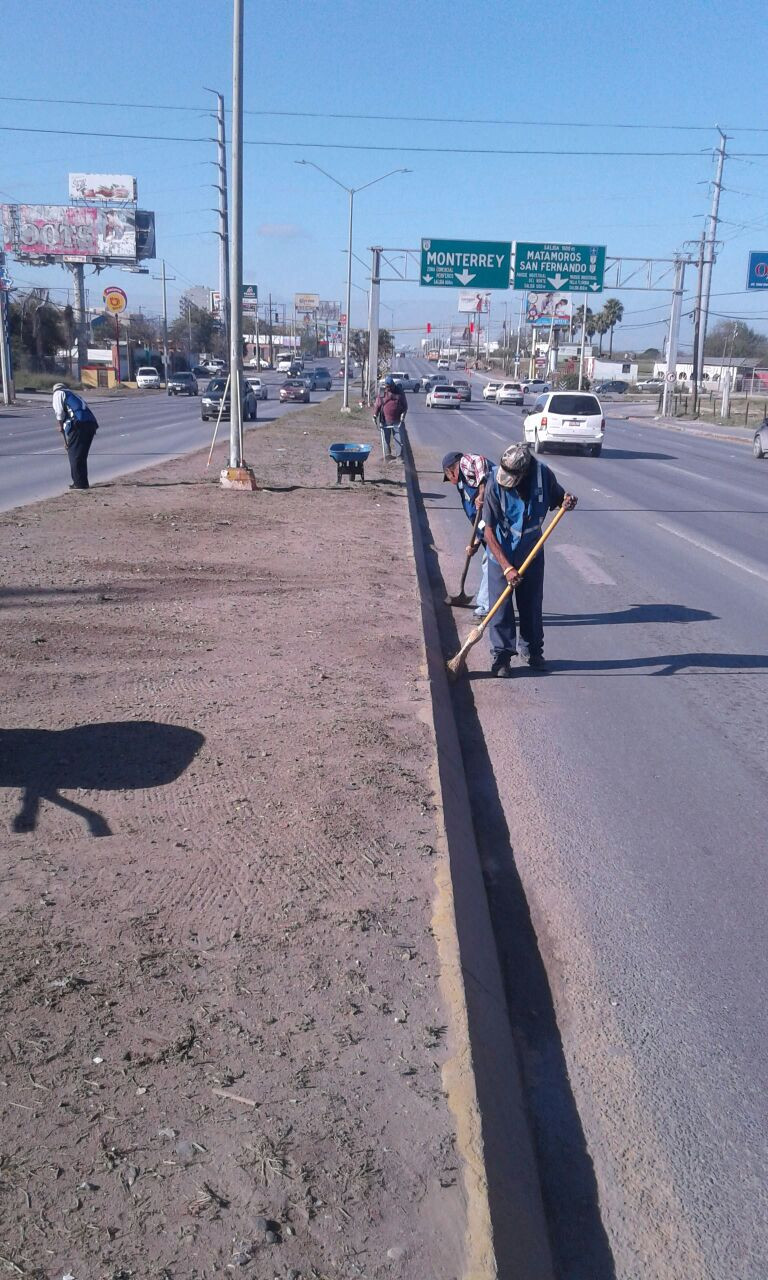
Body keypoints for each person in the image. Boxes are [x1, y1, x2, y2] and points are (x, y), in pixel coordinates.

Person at [481, 442, 577, 677]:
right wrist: (506, 568)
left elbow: (558, 498)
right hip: (501, 554)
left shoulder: (543, 475)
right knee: (501, 608)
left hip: (531, 552)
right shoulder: (494, 482)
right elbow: (488, 531)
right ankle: (502, 657)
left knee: (531, 605)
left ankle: (533, 650)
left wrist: (567, 501)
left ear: (525, 473)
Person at [442, 450, 494, 619]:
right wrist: (476, 543)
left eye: (448, 476)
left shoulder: (464, 464)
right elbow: (476, 518)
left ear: (451, 471)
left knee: (490, 563)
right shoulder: (461, 485)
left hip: (497, 525)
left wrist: (481, 493)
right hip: (486, 529)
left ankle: (485, 607)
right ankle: (494, 606)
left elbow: (478, 460)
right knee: (492, 565)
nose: (450, 481)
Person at [52, 382, 99, 490]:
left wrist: (60, 425)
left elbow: (59, 413)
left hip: (79, 425)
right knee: (81, 455)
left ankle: (79, 484)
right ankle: (82, 482)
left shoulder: (58, 393)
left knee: (74, 454)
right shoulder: (73, 394)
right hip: (91, 424)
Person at [373, 375, 408, 460]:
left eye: (390, 386)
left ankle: (399, 456)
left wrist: (403, 414)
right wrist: (375, 415)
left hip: (397, 420)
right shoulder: (382, 392)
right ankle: (387, 455)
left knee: (398, 438)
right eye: (387, 387)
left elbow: (405, 405)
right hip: (385, 420)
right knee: (386, 438)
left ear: (393, 385)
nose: (388, 388)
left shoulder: (399, 392)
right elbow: (378, 405)